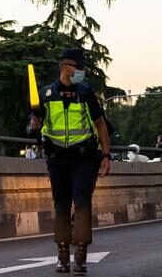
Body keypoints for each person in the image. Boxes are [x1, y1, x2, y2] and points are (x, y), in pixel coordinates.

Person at [28, 49, 111, 275]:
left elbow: (101, 124)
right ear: (65, 67)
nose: (81, 72)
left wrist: (106, 155)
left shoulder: (85, 93)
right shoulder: (45, 95)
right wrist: (33, 126)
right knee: (61, 203)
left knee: (82, 201)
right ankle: (62, 256)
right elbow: (34, 125)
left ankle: (81, 255)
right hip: (57, 158)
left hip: (83, 157)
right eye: (78, 67)